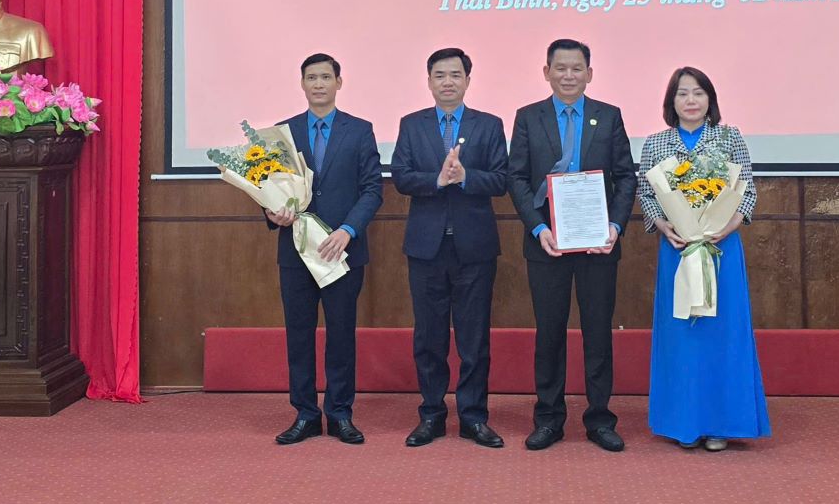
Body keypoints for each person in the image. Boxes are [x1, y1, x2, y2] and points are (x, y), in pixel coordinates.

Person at [507, 39, 637, 452]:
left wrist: (615, 225)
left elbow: (626, 176)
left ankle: (600, 419)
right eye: (559, 68)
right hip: (547, 243)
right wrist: (536, 228)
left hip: (599, 243)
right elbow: (516, 178)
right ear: (546, 72)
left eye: (576, 68)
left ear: (589, 73)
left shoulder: (608, 116)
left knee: (598, 332)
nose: (568, 76)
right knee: (549, 333)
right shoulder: (528, 117)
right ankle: (548, 418)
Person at [638, 66, 770, 452]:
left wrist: (724, 228)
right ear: (671, 101)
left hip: (720, 250)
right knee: (684, 335)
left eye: (698, 93)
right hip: (677, 250)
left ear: (709, 99)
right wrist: (666, 227)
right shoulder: (656, 143)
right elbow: (648, 196)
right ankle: (683, 423)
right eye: (682, 94)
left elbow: (746, 191)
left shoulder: (730, 139)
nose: (690, 101)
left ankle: (720, 424)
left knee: (721, 334)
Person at [391, 48, 508, 449]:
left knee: (474, 338)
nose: (447, 82)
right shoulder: (411, 125)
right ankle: (432, 415)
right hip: (426, 247)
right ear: (428, 81)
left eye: (455, 75)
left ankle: (474, 417)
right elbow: (402, 177)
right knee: (430, 337)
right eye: (439, 75)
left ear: (468, 80)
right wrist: (439, 181)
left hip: (474, 247)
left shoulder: (489, 125)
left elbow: (502, 179)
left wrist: (465, 176)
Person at [264, 53, 383, 445]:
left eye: (326, 77)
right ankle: (305, 414)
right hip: (295, 251)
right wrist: (272, 211)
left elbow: (372, 190)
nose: (319, 84)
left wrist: (349, 230)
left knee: (341, 335)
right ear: (302, 84)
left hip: (340, 252)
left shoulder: (360, 130)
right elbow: (270, 187)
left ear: (339, 83)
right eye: (311, 77)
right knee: (298, 335)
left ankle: (340, 413)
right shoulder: (284, 132)